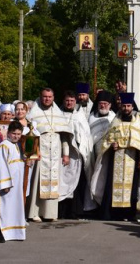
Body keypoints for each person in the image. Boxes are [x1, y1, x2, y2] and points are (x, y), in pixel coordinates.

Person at [90, 92, 140, 221]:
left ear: (132, 107)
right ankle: (114, 214)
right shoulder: (115, 122)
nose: (126, 108)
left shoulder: (137, 123)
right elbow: (107, 140)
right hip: (116, 159)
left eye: (128, 106)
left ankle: (129, 214)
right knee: (113, 187)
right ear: (120, 106)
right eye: (124, 106)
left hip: (131, 160)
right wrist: (111, 145)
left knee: (131, 188)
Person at [26, 88, 76, 222]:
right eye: (44, 96)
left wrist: (65, 154)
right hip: (40, 152)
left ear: (53, 98)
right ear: (40, 97)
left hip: (54, 153)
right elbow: (29, 135)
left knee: (53, 183)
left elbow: (64, 136)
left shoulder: (58, 114)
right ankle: (34, 212)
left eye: (49, 97)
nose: (47, 99)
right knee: (38, 182)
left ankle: (50, 213)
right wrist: (31, 154)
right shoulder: (33, 114)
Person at [0, 121, 27, 242]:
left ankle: (13, 232)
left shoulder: (18, 145)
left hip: (17, 184)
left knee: (13, 209)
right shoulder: (4, 145)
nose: (16, 136)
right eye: (14, 133)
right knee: (2, 208)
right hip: (7, 184)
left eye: (19, 134)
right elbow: (0, 165)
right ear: (8, 133)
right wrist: (4, 184)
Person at [59, 90, 93, 219]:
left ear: (75, 102)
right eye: (67, 100)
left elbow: (85, 134)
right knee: (62, 181)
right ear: (63, 101)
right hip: (62, 154)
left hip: (78, 154)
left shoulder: (79, 116)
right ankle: (61, 211)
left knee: (77, 182)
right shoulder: (59, 114)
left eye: (72, 101)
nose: (69, 103)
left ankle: (75, 211)